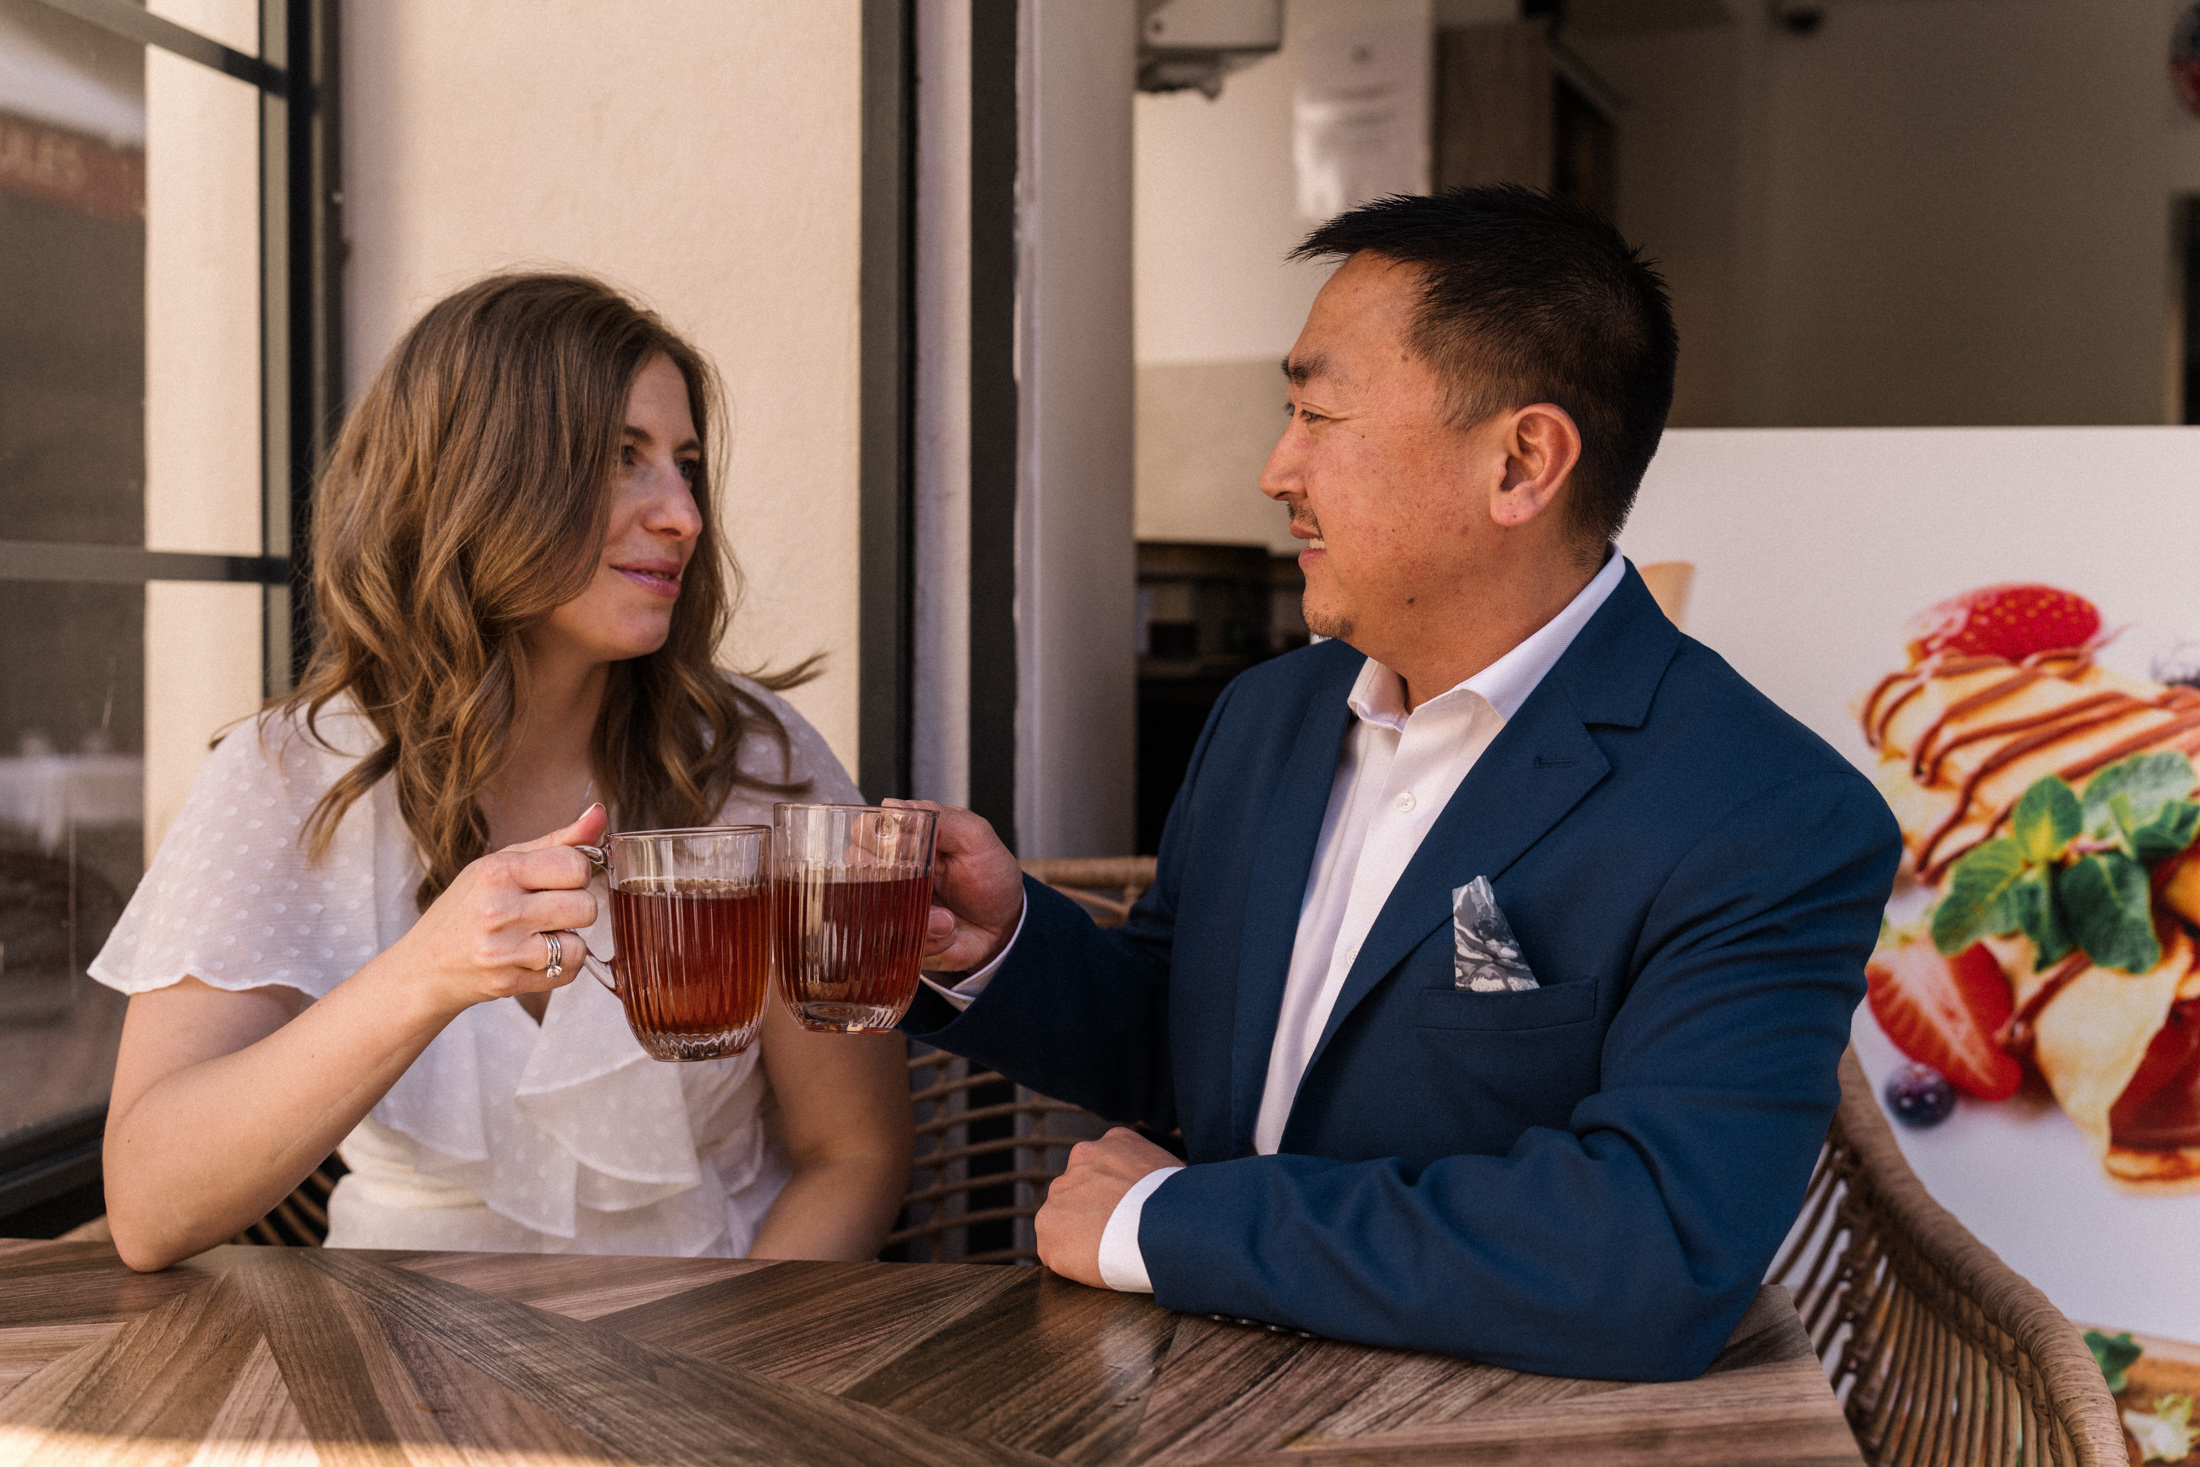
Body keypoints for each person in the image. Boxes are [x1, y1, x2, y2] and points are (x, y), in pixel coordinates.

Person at [902, 187, 1901, 1382]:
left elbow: (1651, 1254)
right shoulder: (1269, 715)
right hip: (1193, 1396)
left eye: (1317, 412)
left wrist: (1163, 1224)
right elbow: (1199, 1044)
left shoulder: (1771, 817)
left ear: (1522, 462)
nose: (1276, 469)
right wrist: (997, 940)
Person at [93, 273, 912, 1271]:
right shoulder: (291, 775)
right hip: (387, 1358)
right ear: (481, 478)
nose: (684, 516)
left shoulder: (757, 763)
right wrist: (424, 975)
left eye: (685, 465)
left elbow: (853, 1152)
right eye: (622, 459)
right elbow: (148, 1205)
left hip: (720, 1332)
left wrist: (741, 1374)